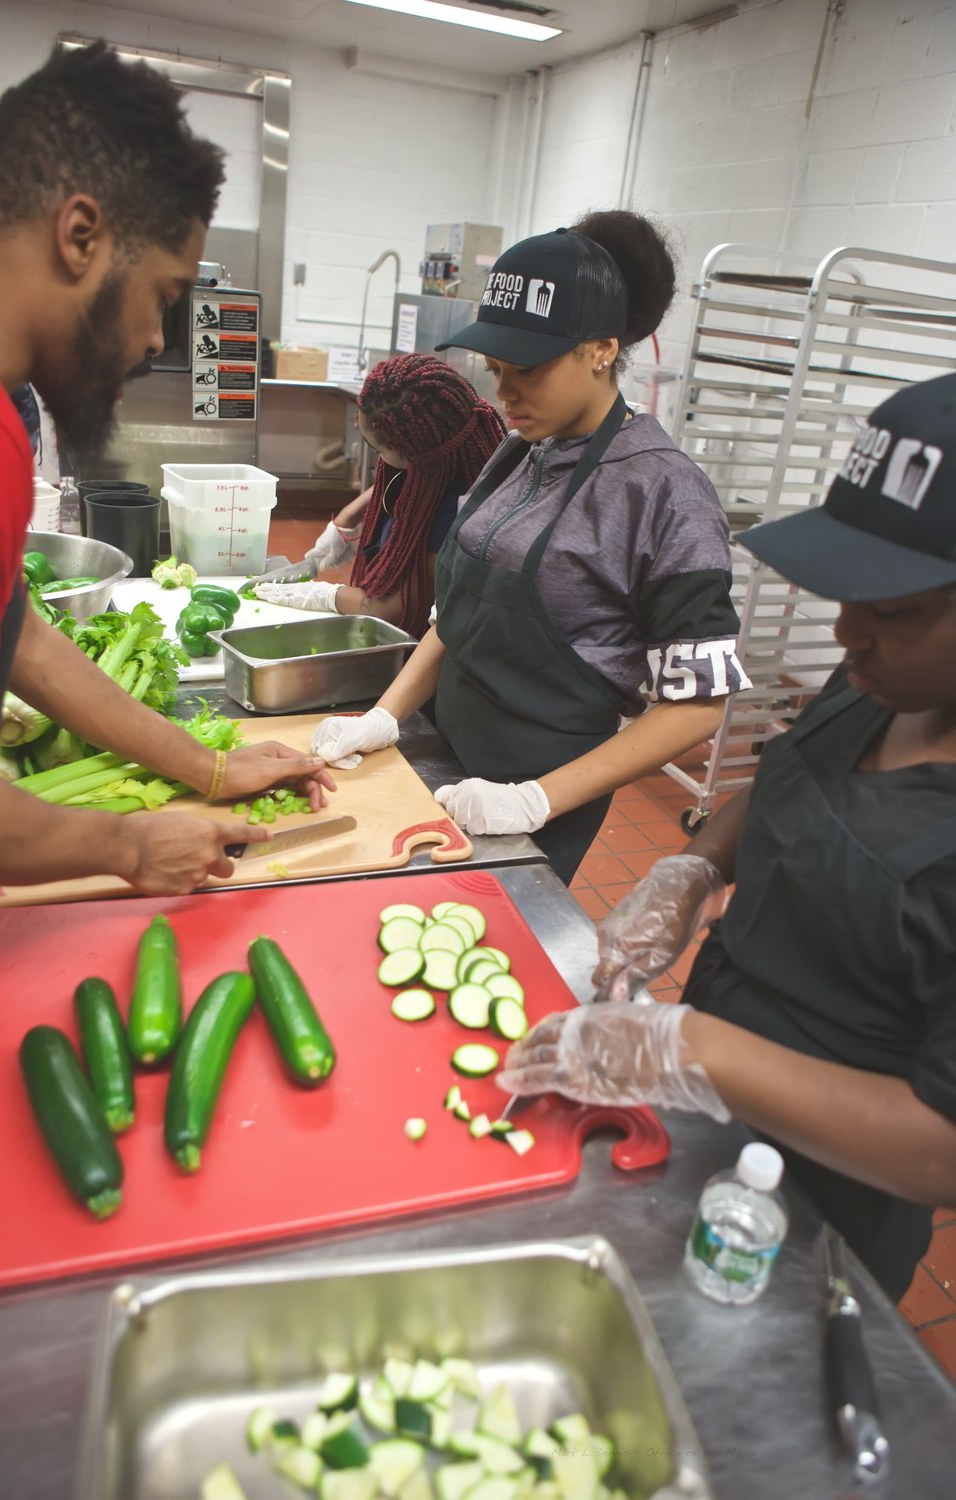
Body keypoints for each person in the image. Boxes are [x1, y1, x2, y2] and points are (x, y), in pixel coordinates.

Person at [498, 372, 956, 1302]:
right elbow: (796, 776)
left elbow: (939, 1148)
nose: (845, 633)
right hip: (706, 1123)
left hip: (823, 1202)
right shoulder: (882, 685)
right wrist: (692, 867)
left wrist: (688, 1051)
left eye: (894, 610)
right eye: (847, 594)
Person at [0, 42, 333, 898]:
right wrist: (130, 848)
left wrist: (207, 769)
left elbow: (17, 636)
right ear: (81, 234)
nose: (160, 339)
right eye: (165, 295)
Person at [311, 214, 748, 883]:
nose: (504, 393)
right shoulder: (518, 452)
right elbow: (454, 615)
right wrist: (384, 717)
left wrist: (533, 801)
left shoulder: (664, 492)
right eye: (494, 369)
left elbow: (697, 703)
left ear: (601, 349)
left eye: (527, 370)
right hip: (443, 747)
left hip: (538, 791)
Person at [254, 354, 507, 638]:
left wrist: (325, 595)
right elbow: (397, 481)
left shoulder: (454, 507)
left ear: (414, 456)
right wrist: (349, 518)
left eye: (378, 451)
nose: (378, 461)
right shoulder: (431, 469)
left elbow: (393, 608)